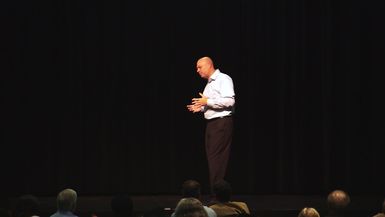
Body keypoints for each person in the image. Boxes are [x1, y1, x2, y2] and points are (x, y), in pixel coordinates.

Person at [186, 57, 235, 192]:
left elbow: (229, 101)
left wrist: (206, 102)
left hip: (221, 123)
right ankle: (216, 192)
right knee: (212, 159)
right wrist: (201, 108)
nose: (197, 70)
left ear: (209, 65)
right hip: (212, 124)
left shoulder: (223, 79)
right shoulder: (209, 83)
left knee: (217, 159)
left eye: (199, 67)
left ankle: (217, 195)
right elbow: (211, 103)